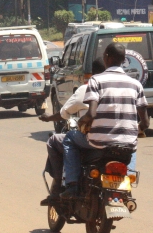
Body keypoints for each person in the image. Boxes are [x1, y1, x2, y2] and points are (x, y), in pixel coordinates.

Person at [60, 43, 149, 199]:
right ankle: (126, 189)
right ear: (123, 60)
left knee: (69, 139)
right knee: (131, 143)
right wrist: (137, 129)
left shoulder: (96, 80)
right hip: (126, 144)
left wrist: (82, 122)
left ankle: (72, 184)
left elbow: (91, 113)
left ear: (107, 57)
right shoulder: (136, 84)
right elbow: (145, 122)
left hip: (98, 142)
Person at [39, 58, 106, 206]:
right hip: (120, 143)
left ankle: (65, 185)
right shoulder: (121, 88)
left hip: (93, 140)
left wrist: (48, 118)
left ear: (91, 74)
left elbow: (64, 113)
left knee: (60, 139)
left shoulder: (86, 89)